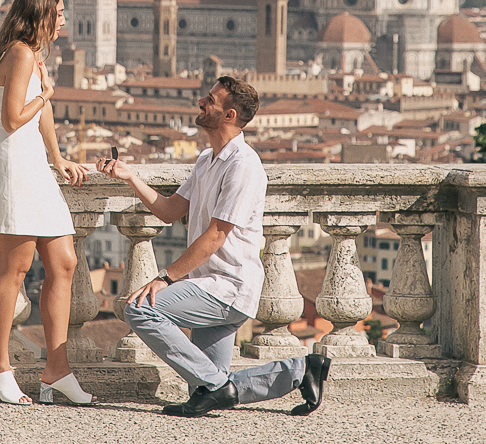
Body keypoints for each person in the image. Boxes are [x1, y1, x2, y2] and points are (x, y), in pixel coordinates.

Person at [96, 76, 330, 417]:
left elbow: (217, 234)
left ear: (229, 115)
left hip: (229, 288)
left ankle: (222, 387)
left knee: (138, 307)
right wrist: (130, 176)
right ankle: (301, 371)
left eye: (210, 100)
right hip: (209, 284)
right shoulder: (207, 159)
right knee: (204, 388)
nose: (201, 103)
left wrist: (166, 278)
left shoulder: (244, 166)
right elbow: (169, 210)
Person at [0, 0, 94, 406]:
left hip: (35, 169)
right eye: (58, 12)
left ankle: (56, 371)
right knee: (15, 267)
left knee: (63, 261)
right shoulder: (21, 54)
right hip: (13, 168)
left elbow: (41, 116)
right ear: (41, 14)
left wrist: (58, 159)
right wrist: (45, 93)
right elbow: (11, 119)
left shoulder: (32, 55)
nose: (63, 19)